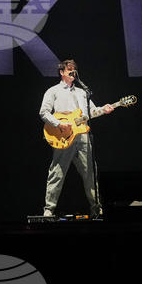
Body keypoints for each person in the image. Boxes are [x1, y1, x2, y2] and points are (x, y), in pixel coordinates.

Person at [39, 59, 113, 217]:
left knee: (90, 173)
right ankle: (48, 210)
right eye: (69, 70)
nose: (73, 72)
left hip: (83, 137)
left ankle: (97, 209)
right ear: (62, 72)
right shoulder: (53, 91)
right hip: (63, 136)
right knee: (57, 173)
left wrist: (105, 109)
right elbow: (43, 113)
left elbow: (91, 112)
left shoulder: (82, 92)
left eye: (74, 70)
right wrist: (58, 124)